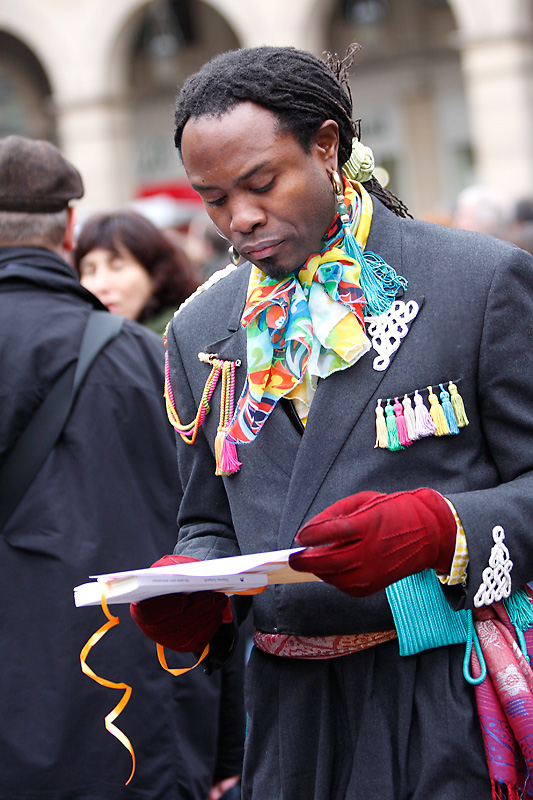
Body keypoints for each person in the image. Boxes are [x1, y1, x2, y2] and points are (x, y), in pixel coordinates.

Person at [130, 45, 533, 800]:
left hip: (443, 699)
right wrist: (194, 590)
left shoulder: (477, 282)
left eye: (259, 183)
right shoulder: (199, 329)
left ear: (325, 147)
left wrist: (443, 527)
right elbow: (208, 518)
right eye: (212, 199)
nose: (239, 218)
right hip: (286, 721)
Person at [0, 135, 244, 800]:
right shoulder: (147, 358)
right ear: (70, 228)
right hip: (132, 718)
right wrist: (227, 742)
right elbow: (212, 540)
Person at [74, 210, 202, 335]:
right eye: (90, 271)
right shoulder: (77, 339)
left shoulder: (187, 336)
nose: (100, 285)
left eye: (117, 267)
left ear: (155, 272)